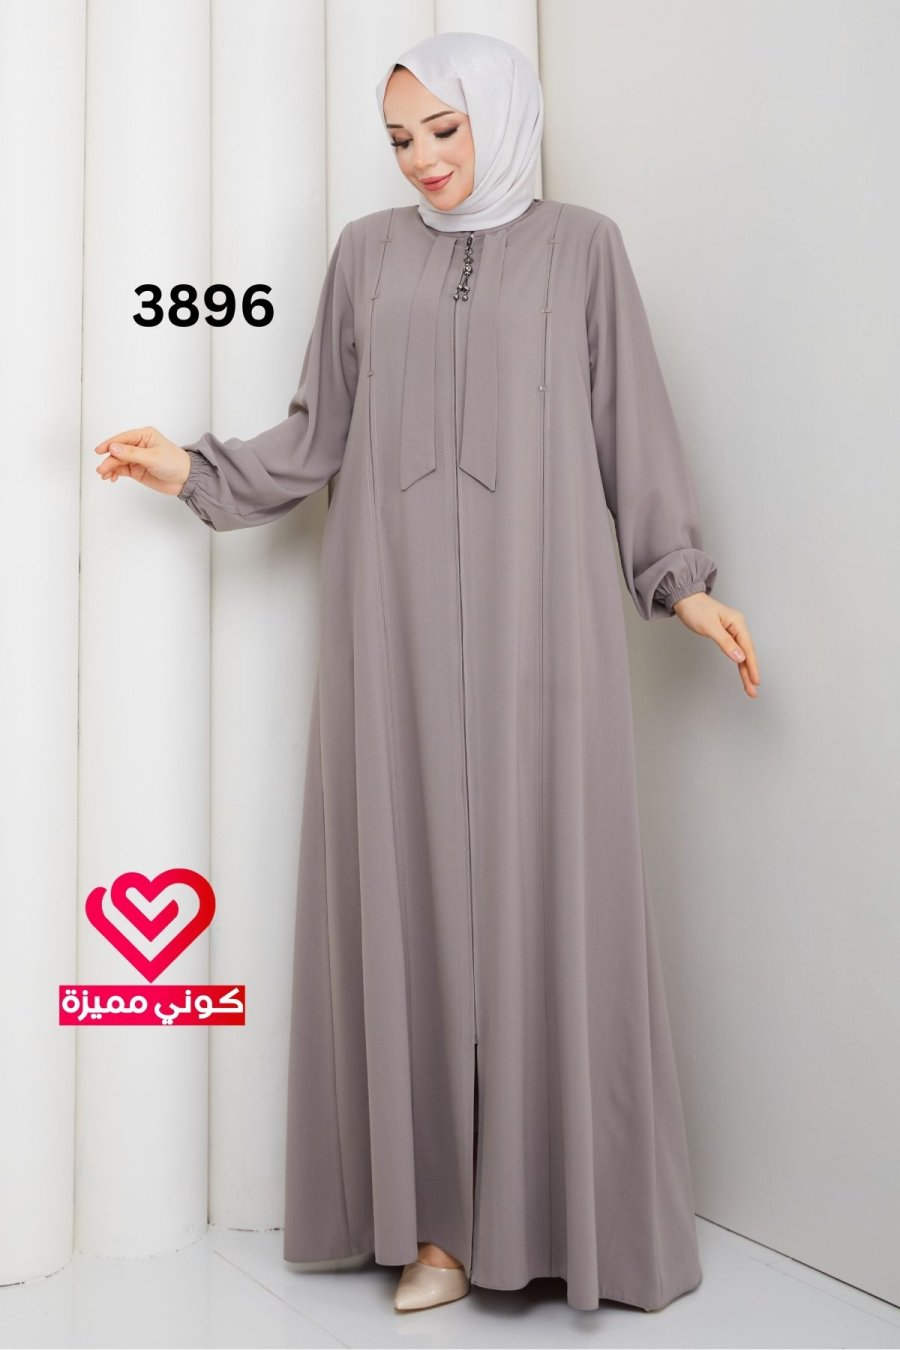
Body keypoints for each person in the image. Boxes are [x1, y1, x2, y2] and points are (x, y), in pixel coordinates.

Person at [94, 30, 759, 1318]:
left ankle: (560, 1217)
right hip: (388, 619)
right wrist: (191, 470)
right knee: (408, 901)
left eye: (445, 130)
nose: (423, 160)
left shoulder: (583, 249)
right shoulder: (364, 254)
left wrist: (684, 582)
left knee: (542, 891)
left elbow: (629, 425)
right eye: (401, 139)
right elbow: (319, 433)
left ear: (499, 120)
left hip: (543, 619)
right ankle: (436, 1232)